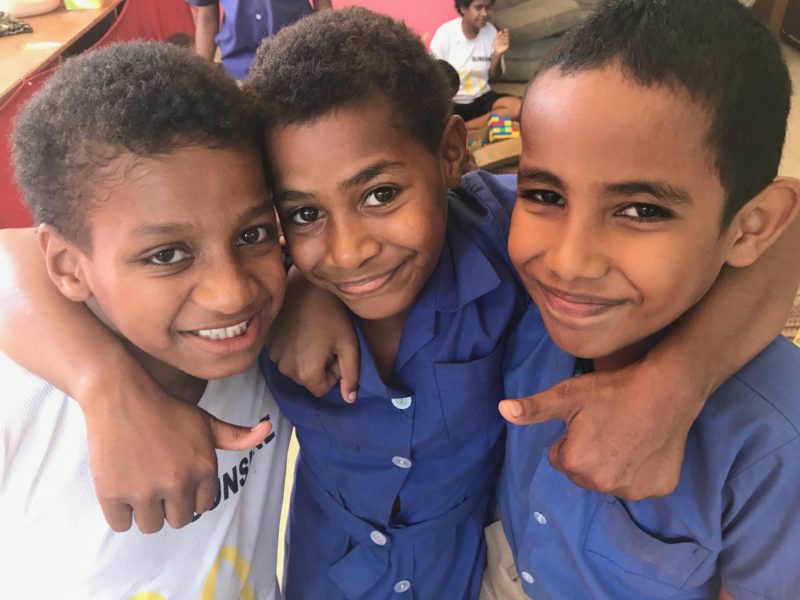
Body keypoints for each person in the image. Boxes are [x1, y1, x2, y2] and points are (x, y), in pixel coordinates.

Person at [0, 7, 796, 600]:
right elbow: (18, 261)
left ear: (452, 156)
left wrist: (676, 383)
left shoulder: (526, 242)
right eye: (300, 215)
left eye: (381, 193)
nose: (346, 251)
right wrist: (108, 383)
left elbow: (780, 236)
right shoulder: (249, 305)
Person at [493, 0, 800, 597]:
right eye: (545, 195)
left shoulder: (773, 444)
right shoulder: (525, 302)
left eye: (641, 210)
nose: (567, 261)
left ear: (751, 226)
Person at [0, 41, 291, 597]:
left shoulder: (276, 345)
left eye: (252, 235)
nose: (232, 294)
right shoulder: (18, 410)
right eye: (166, 255)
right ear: (66, 265)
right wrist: (105, 386)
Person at [431, 0, 522, 130]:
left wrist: (497, 55)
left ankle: (464, 128)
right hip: (453, 101)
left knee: (517, 107)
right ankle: (467, 126)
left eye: (488, 7)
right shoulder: (445, 33)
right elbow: (434, 77)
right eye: (479, 8)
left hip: (481, 98)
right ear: (463, 8)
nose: (485, 13)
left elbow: (494, 78)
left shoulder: (491, 32)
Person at [189, 0, 332, 80]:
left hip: (300, 59)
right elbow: (206, 16)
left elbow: (323, 5)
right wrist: (200, 75)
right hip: (239, 71)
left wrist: (328, 53)